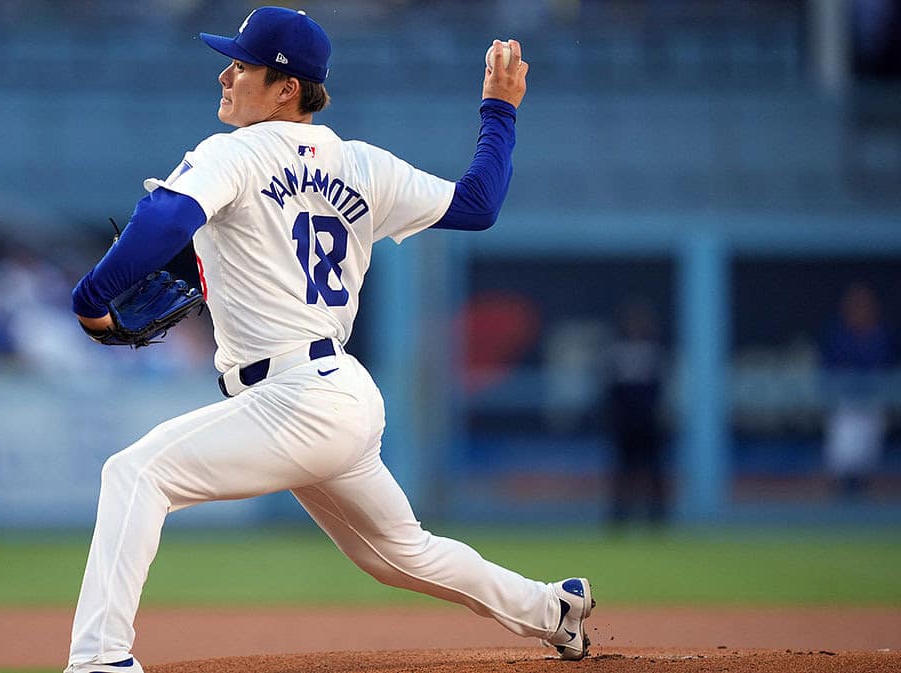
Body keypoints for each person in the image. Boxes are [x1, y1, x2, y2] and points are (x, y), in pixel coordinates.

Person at [66, 8, 593, 672]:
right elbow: (477, 204)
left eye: (241, 63)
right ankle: (554, 609)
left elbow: (166, 216)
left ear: (287, 87)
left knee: (135, 472)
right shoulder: (362, 165)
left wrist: (90, 300)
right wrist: (499, 111)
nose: (225, 73)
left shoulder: (233, 153)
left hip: (293, 398)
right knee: (402, 553)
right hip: (338, 392)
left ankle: (99, 660)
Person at [822, 282, 894, 499]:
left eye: (863, 305)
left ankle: (863, 509)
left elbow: (886, 367)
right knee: (842, 458)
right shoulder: (839, 336)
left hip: (872, 404)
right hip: (846, 405)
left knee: (866, 462)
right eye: (855, 305)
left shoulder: (881, 336)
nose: (859, 309)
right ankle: (837, 510)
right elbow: (829, 369)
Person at [605, 298, 668, 530]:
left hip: (649, 423)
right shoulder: (617, 352)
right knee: (624, 473)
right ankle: (620, 517)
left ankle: (657, 518)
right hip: (626, 424)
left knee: (653, 472)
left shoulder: (654, 352)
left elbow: (661, 390)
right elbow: (610, 391)